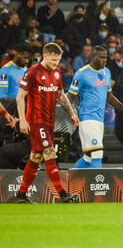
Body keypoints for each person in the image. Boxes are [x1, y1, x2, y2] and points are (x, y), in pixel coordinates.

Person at [15, 43, 79, 204]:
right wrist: (22, 120)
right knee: (50, 152)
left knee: (36, 157)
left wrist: (71, 113)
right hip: (36, 121)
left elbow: (61, 95)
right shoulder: (32, 72)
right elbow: (20, 97)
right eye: (53, 60)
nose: (56, 64)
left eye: (58, 60)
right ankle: (62, 194)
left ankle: (21, 195)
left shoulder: (57, 72)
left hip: (50, 122)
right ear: (45, 56)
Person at [68, 46, 123, 168]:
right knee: (97, 152)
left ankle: (71, 181)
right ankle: (97, 185)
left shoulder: (106, 72)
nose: (104, 60)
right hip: (87, 118)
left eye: (105, 57)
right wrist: (71, 116)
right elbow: (70, 99)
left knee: (88, 158)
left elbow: (110, 97)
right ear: (92, 57)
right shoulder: (81, 74)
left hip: (99, 120)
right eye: (101, 57)